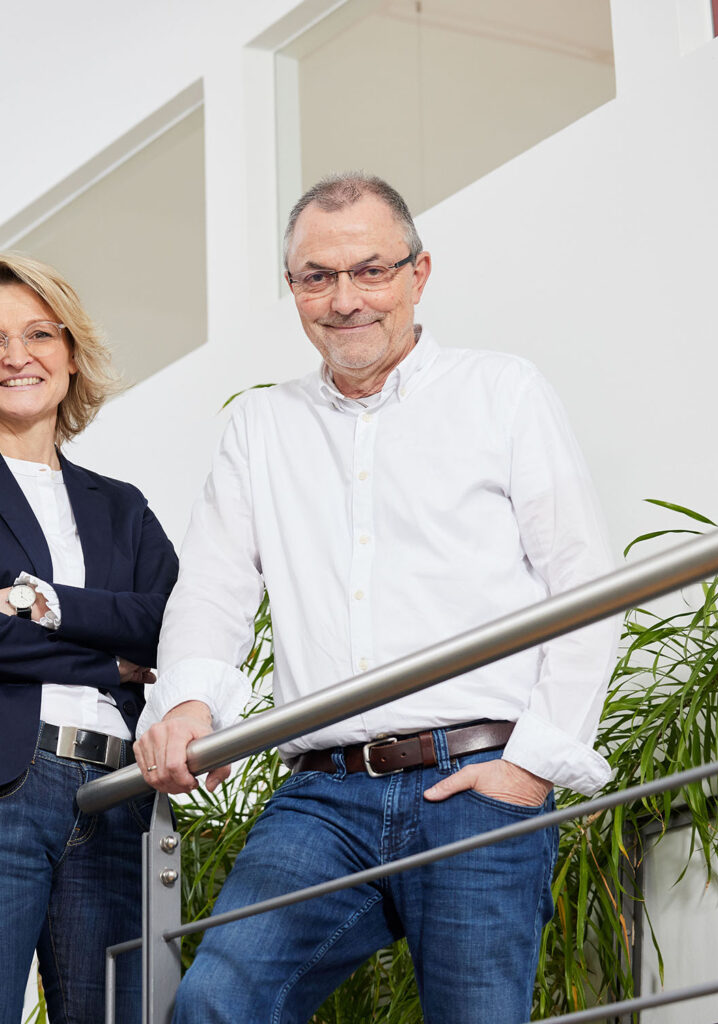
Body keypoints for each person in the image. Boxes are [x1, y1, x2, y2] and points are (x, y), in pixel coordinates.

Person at [133, 173, 618, 1023]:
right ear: (292, 289)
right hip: (322, 797)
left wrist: (533, 762)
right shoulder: (262, 427)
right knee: (214, 1004)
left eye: (370, 270)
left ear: (419, 273)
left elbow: (583, 579)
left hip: (478, 776)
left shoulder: (502, 392)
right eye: (316, 276)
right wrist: (189, 702)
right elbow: (213, 585)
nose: (344, 298)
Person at [0, 251, 178, 1023]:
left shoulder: (123, 507)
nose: (17, 356)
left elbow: (168, 627)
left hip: (113, 795)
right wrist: (109, 655)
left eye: (39, 333)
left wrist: (32, 601)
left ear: (71, 355)